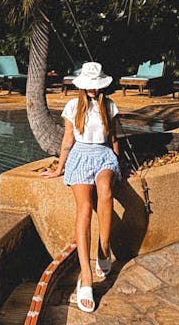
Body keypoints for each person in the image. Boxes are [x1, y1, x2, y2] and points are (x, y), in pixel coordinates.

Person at [41, 61, 121, 312]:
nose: (93, 90)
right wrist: (59, 167)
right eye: (89, 86)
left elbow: (113, 139)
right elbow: (67, 140)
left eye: (96, 86)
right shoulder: (72, 106)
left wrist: (121, 162)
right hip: (79, 157)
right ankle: (86, 276)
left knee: (105, 192)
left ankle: (104, 249)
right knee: (85, 207)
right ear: (83, 86)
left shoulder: (109, 106)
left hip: (104, 156)